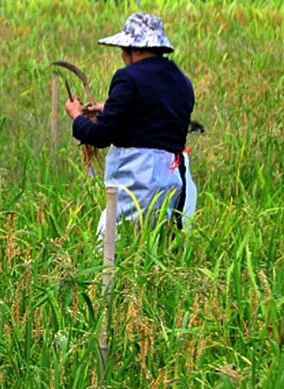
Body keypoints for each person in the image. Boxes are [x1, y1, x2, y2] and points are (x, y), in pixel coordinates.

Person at [65, 13, 197, 235]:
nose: (123, 57)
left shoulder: (128, 77)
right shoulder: (181, 80)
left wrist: (77, 116)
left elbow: (101, 136)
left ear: (135, 49)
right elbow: (157, 118)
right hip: (173, 176)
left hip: (139, 176)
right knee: (156, 243)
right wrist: (111, 109)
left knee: (112, 247)